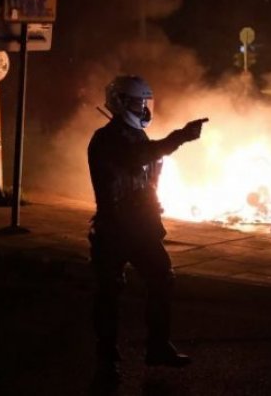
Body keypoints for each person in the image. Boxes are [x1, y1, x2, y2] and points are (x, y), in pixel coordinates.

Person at [87, 74, 208, 384]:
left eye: (144, 102)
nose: (143, 108)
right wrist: (180, 136)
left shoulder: (137, 137)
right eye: (137, 102)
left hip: (140, 226)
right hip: (114, 227)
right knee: (109, 293)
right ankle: (107, 360)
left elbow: (147, 171)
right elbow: (139, 158)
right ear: (120, 102)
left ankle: (157, 347)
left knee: (162, 279)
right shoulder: (106, 138)